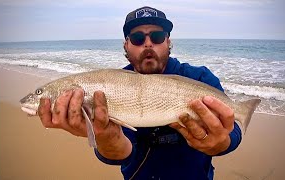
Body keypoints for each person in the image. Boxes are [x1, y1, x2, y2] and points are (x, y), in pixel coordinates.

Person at [38, 6, 242, 180]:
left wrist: (221, 142)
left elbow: (233, 129)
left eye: (157, 36)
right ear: (126, 45)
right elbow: (120, 154)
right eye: (137, 38)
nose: (147, 43)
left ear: (168, 41)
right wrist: (106, 137)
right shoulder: (112, 87)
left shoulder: (200, 78)